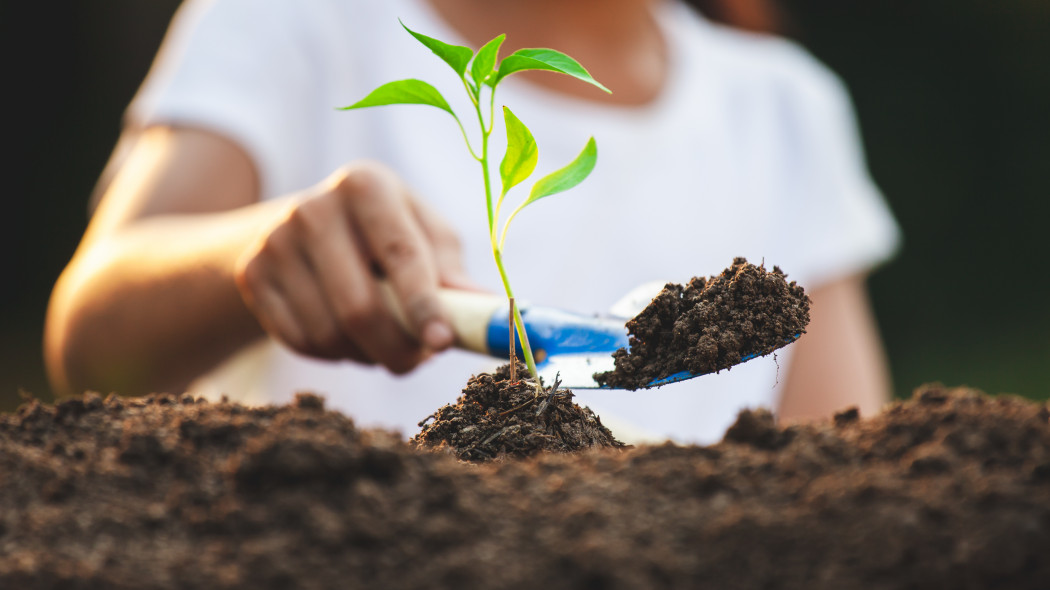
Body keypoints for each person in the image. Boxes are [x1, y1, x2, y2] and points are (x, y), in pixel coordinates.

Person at [45, 0, 900, 444]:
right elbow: (89, 341)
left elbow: (845, 467)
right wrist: (249, 260)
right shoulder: (302, 22)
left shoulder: (783, 106)